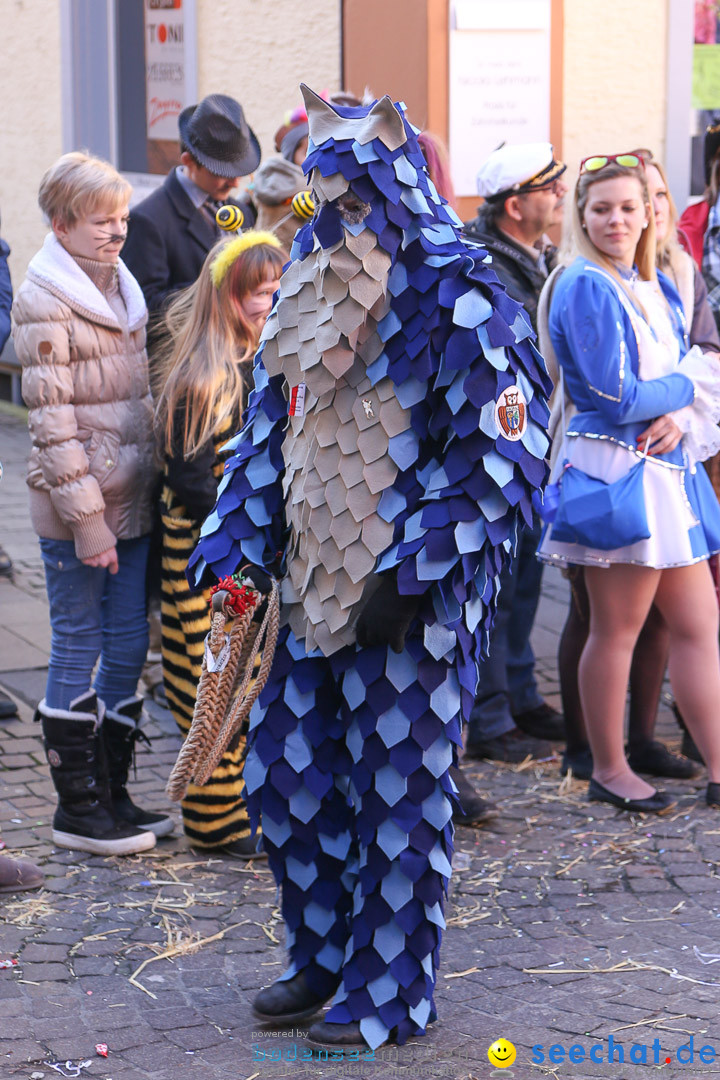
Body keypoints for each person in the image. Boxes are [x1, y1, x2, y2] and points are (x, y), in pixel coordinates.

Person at [189, 86, 550, 1051]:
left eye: (352, 201)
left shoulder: (462, 293)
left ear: (397, 189)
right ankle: (323, 952)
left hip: (409, 605)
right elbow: (267, 435)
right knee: (285, 778)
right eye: (323, 200)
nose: (334, 220)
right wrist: (235, 546)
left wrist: (418, 564)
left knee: (398, 790)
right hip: (306, 592)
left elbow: (503, 455)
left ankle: (390, 990)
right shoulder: (307, 283)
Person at [538, 151, 720, 813]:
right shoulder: (584, 283)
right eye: (601, 208)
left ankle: (719, 769)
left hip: (665, 475)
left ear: (649, 214)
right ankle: (608, 769)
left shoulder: (658, 285)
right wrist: (686, 387)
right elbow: (616, 396)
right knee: (615, 629)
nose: (616, 219)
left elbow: (694, 368)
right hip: (615, 472)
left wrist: (677, 399)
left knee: (699, 623)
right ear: (582, 217)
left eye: (627, 207)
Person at [13, 151, 173, 855]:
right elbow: (51, 424)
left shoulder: (119, 282)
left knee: (130, 644)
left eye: (122, 219)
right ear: (61, 224)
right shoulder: (44, 296)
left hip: (131, 498)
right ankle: (77, 810)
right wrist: (86, 524)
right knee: (78, 643)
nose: (117, 232)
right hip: (82, 512)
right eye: (101, 222)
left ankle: (113, 793)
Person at [155, 231, 285, 858]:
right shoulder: (201, 379)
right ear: (231, 299)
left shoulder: (270, 363)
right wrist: (236, 528)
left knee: (249, 680)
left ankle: (247, 803)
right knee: (208, 679)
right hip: (207, 555)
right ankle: (213, 822)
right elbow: (187, 479)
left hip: (255, 551)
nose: (276, 299)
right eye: (263, 292)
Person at [462, 144, 569, 762]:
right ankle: (491, 714)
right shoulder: (492, 269)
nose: (559, 195)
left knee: (526, 580)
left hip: (532, 444)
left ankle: (521, 696)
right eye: (548, 187)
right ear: (515, 205)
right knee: (498, 587)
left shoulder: (538, 255)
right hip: (502, 448)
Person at [122, 94, 261, 331]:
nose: (235, 184)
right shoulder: (148, 220)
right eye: (223, 174)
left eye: (239, 173)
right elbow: (145, 308)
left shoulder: (240, 212)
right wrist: (217, 291)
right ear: (188, 161)